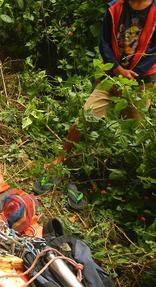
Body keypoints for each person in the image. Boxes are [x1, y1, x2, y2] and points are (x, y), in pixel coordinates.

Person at [53, 0, 155, 164]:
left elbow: (154, 51)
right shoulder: (115, 8)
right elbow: (104, 43)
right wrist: (117, 69)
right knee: (85, 117)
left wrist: (135, 74)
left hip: (141, 83)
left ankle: (131, 178)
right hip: (112, 76)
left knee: (137, 134)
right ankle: (60, 160)